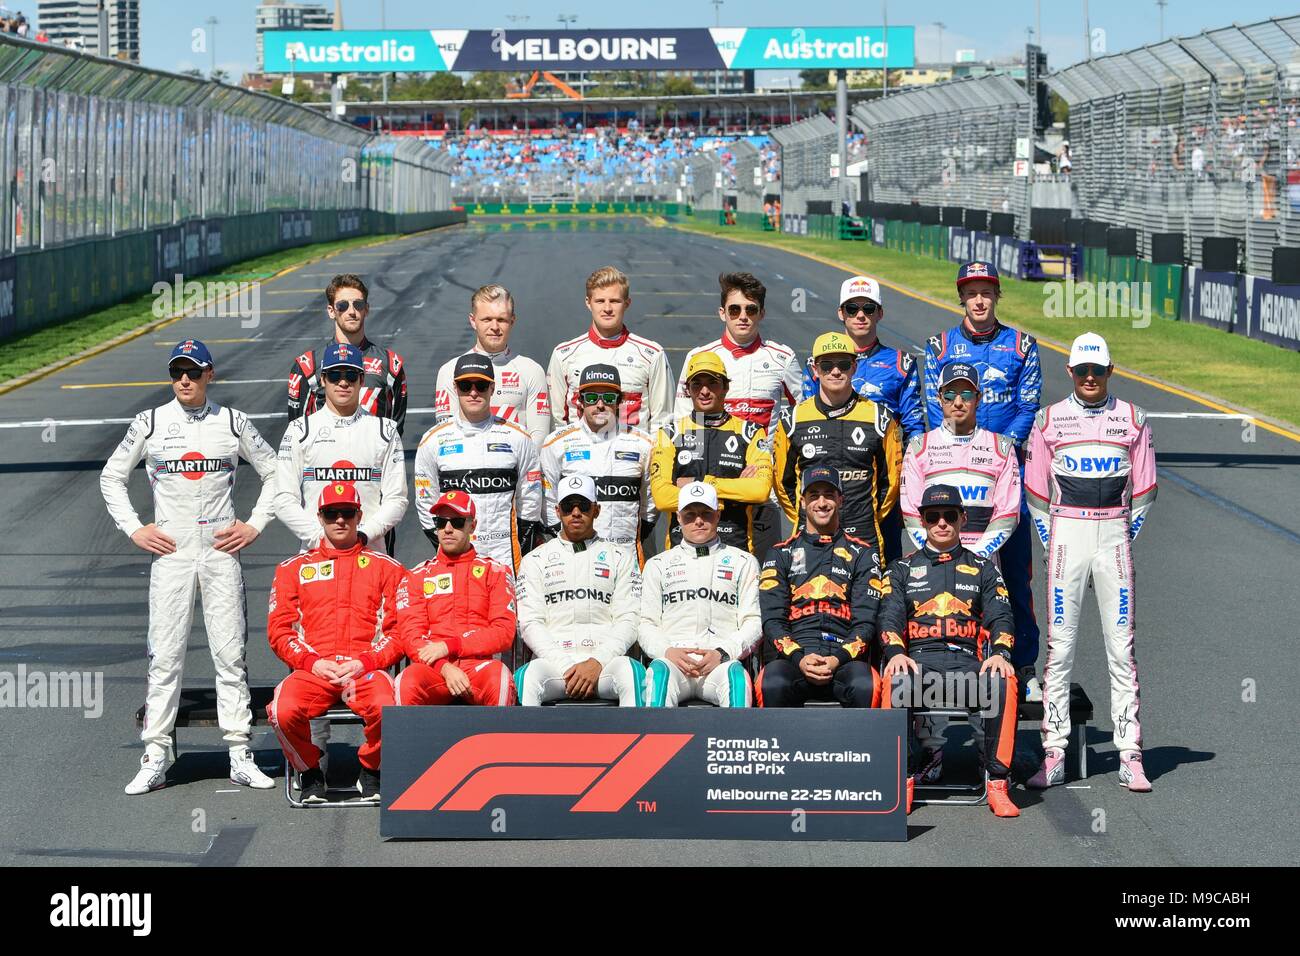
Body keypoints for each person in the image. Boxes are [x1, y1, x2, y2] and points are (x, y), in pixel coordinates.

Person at [101, 339, 279, 795]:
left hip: (221, 549)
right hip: (172, 550)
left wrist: (255, 524)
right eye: (177, 371)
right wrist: (135, 529)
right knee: (165, 656)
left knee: (230, 654)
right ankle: (155, 755)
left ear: (209, 376)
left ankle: (240, 752)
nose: (185, 379)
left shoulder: (233, 422)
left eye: (194, 371)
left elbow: (276, 472)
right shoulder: (150, 422)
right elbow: (112, 476)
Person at [1024, 333, 1157, 793]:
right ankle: (1054, 751)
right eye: (1081, 371)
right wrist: (1052, 539)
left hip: (1113, 536)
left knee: (1122, 649)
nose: (1089, 378)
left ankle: (1131, 753)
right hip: (1067, 536)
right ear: (1070, 373)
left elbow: (1145, 491)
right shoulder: (1048, 421)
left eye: (1097, 370)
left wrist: (1121, 534)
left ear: (1110, 371)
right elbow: (1036, 492)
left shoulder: (1134, 419)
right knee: (1060, 651)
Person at [923, 261, 1042, 696]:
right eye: (971, 292)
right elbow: (935, 411)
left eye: (986, 292)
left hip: (1006, 475)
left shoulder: (1023, 345)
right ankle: (951, 660)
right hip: (953, 478)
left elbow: (1028, 408)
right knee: (945, 578)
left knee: (1014, 577)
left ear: (996, 296)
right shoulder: (938, 346)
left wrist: (996, 455)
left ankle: (1023, 668)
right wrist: (957, 454)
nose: (979, 300)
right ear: (961, 297)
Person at [878, 485, 1021, 818]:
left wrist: (1000, 652)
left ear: (962, 519)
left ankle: (997, 783)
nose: (941, 523)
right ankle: (901, 780)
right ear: (922, 522)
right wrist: (896, 653)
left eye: (949, 516)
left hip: (967, 667)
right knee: (895, 679)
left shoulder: (985, 568)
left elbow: (1002, 615)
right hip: (920, 666)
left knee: (1003, 681)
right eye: (933, 517)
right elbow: (889, 615)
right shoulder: (900, 569)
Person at [266, 483, 407, 804]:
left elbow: (400, 632)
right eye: (332, 514)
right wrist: (312, 662)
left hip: (365, 672)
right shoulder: (293, 569)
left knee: (392, 708)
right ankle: (310, 770)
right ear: (320, 518)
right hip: (314, 671)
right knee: (280, 711)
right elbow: (280, 631)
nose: (339, 520)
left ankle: (371, 769)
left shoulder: (387, 567)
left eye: (347, 513)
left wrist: (366, 662)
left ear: (359, 516)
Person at [674, 271, 801, 556]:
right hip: (708, 491)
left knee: (762, 576)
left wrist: (776, 465)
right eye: (735, 309)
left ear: (762, 313)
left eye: (750, 309)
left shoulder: (782, 358)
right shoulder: (699, 357)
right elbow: (683, 426)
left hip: (761, 491)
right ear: (722, 313)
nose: (742, 316)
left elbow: (801, 420)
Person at [757, 466, 885, 708]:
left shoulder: (864, 553)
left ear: (841, 500)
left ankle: (858, 747)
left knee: (866, 685)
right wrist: (799, 657)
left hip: (844, 658)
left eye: (829, 494)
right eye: (814, 495)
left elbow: (866, 622)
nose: (822, 502)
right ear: (803, 502)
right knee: (772, 682)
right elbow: (772, 621)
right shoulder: (780, 552)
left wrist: (837, 659)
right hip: (794, 658)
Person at [514, 475, 646, 706]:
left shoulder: (620, 557)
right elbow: (530, 623)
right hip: (555, 666)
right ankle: (530, 744)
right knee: (528, 677)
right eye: (568, 506)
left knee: (631, 672)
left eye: (583, 506)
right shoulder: (534, 559)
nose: (575, 512)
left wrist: (596, 662)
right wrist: (567, 667)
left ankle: (634, 742)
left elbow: (629, 620)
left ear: (597, 510)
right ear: (557, 511)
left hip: (604, 665)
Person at [773, 331, 902, 557]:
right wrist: (811, 516)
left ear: (854, 367)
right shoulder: (792, 420)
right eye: (826, 365)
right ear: (814, 369)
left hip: (864, 536)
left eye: (843, 364)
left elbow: (890, 483)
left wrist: (867, 514)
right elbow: (782, 483)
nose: (835, 371)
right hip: (809, 537)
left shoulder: (880, 418)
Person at [414, 353, 545, 569]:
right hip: (456, 557)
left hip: (505, 556)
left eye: (481, 385)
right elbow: (426, 503)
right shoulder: (433, 441)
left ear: (492, 389)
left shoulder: (518, 437)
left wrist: (520, 546)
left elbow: (530, 500)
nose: (473, 392)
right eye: (466, 385)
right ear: (455, 389)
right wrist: (448, 545)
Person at [274, 342, 407, 556]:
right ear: (323, 380)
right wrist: (320, 537)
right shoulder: (300, 430)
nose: (343, 383)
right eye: (335, 376)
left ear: (362, 380)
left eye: (351, 376)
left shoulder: (384, 430)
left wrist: (362, 535)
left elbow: (397, 499)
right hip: (316, 553)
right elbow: (283, 499)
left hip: (369, 552)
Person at [640, 483, 761, 707]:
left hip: (719, 662)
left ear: (717, 515)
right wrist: (667, 651)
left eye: (706, 513)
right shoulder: (658, 564)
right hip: (674, 662)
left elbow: (753, 622)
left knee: (737, 679)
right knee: (658, 676)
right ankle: (658, 742)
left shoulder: (743, 562)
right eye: (690, 515)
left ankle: (732, 743)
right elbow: (646, 623)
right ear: (678, 517)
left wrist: (723, 653)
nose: (698, 521)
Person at [394, 491, 518, 708]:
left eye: (457, 522)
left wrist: (450, 645)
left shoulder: (495, 571)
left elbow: (504, 632)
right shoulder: (416, 576)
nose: (448, 529)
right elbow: (411, 636)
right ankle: (414, 743)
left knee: (501, 680)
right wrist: (444, 666)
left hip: (478, 667)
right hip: (434, 668)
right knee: (406, 682)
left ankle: (495, 743)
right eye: (441, 522)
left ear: (472, 526)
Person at [651, 351, 773, 554]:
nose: (704, 391)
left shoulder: (750, 432)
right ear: (687, 390)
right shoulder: (670, 434)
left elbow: (759, 490)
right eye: (696, 384)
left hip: (736, 549)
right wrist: (734, 492)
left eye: (712, 383)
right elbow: (663, 498)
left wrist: (699, 483)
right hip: (680, 550)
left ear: (725, 387)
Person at [901, 362, 1021, 559]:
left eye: (966, 394)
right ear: (939, 398)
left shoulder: (1002, 447)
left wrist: (977, 555)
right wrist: (938, 551)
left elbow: (1008, 513)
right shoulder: (918, 447)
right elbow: (910, 511)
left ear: (978, 398)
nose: (957, 402)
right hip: (934, 559)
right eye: (949, 395)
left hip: (983, 560)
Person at [540, 365, 656, 556]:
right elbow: (548, 499)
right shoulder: (556, 443)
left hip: (626, 554)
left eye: (609, 398)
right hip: (574, 553)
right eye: (592, 398)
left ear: (619, 402)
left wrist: (638, 533)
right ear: (581, 402)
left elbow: (650, 502)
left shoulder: (644, 444)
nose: (600, 405)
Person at [546, 265, 675, 432]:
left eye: (614, 301)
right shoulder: (563, 355)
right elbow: (557, 421)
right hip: (580, 455)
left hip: (634, 454)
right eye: (600, 301)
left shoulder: (652, 355)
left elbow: (663, 420)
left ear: (627, 303)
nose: (607, 308)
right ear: (588, 303)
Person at [800, 275, 924, 441]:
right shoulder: (817, 364)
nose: (860, 315)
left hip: (883, 462)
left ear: (880, 313)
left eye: (868, 308)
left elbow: (914, 426)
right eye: (852, 308)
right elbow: (806, 421)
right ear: (841, 313)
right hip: (828, 459)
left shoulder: (903, 364)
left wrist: (912, 464)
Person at [433, 284, 551, 449]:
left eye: (501, 320)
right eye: (487, 319)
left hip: (515, 470)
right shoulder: (449, 371)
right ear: (473, 321)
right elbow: (445, 436)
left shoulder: (532, 370)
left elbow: (539, 438)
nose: (495, 327)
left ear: (512, 321)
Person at [287, 274, 407, 436]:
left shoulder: (391, 364)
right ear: (331, 311)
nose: (351, 311)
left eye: (358, 305)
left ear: (366, 309)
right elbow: (297, 432)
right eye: (342, 305)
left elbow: (395, 432)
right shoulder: (307, 365)